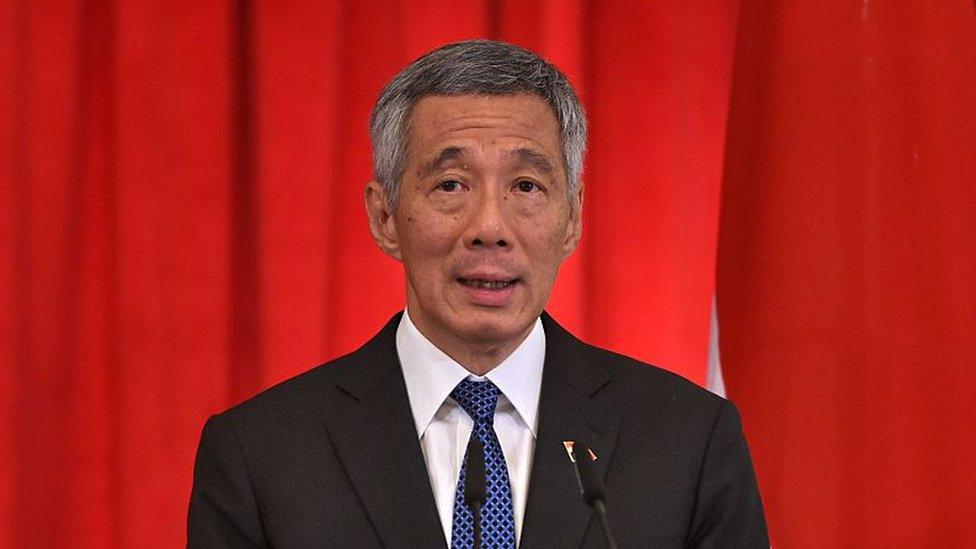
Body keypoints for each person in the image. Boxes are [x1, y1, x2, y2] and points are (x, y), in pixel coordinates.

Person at [188, 39, 768, 548]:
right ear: (385, 215)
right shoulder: (260, 458)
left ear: (572, 219)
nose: (490, 226)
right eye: (451, 184)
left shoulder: (688, 443)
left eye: (526, 185)